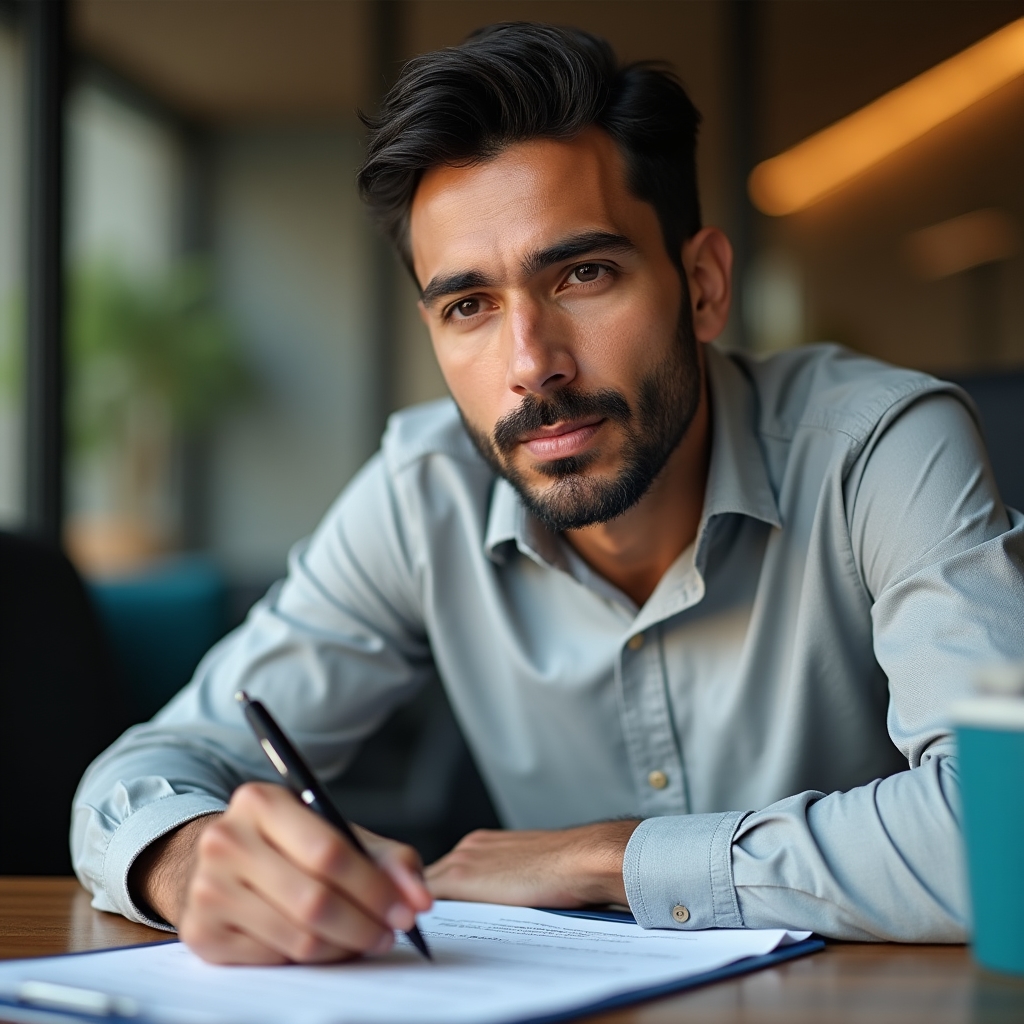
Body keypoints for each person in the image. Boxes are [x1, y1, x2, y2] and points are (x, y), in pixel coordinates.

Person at [73, 23, 1024, 965]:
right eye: (469, 306)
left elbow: (1007, 830)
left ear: (701, 285)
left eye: (584, 273)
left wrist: (613, 858)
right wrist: (191, 860)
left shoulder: (880, 448)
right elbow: (149, 770)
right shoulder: (422, 492)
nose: (531, 366)